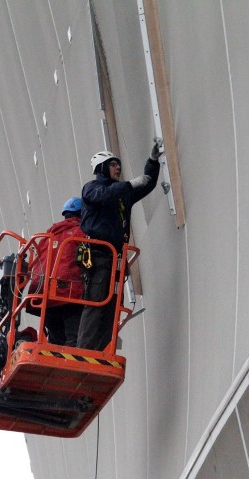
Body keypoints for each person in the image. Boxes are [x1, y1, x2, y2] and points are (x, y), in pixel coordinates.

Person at [77, 140, 162, 351]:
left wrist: (152, 161)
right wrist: (128, 185)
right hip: (98, 256)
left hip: (116, 259)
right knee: (96, 303)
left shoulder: (121, 193)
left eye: (118, 164)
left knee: (113, 305)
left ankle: (102, 351)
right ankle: (84, 350)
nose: (118, 168)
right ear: (103, 168)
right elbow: (103, 195)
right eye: (113, 164)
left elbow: (148, 183)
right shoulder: (92, 188)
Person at [27, 197, 86, 346]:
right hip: (68, 294)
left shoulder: (46, 238)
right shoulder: (80, 231)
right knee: (73, 339)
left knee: (55, 341)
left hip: (44, 295)